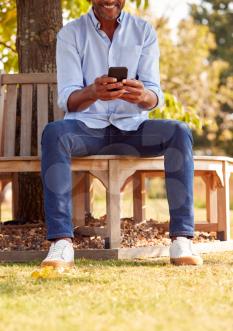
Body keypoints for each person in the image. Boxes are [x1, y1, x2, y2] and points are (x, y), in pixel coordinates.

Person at [40, 0, 203, 268]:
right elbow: (68, 100)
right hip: (86, 132)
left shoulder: (144, 32)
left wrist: (143, 96)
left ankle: (182, 239)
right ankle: (61, 244)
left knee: (179, 131)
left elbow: (154, 95)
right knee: (54, 133)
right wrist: (93, 92)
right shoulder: (70, 34)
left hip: (133, 131)